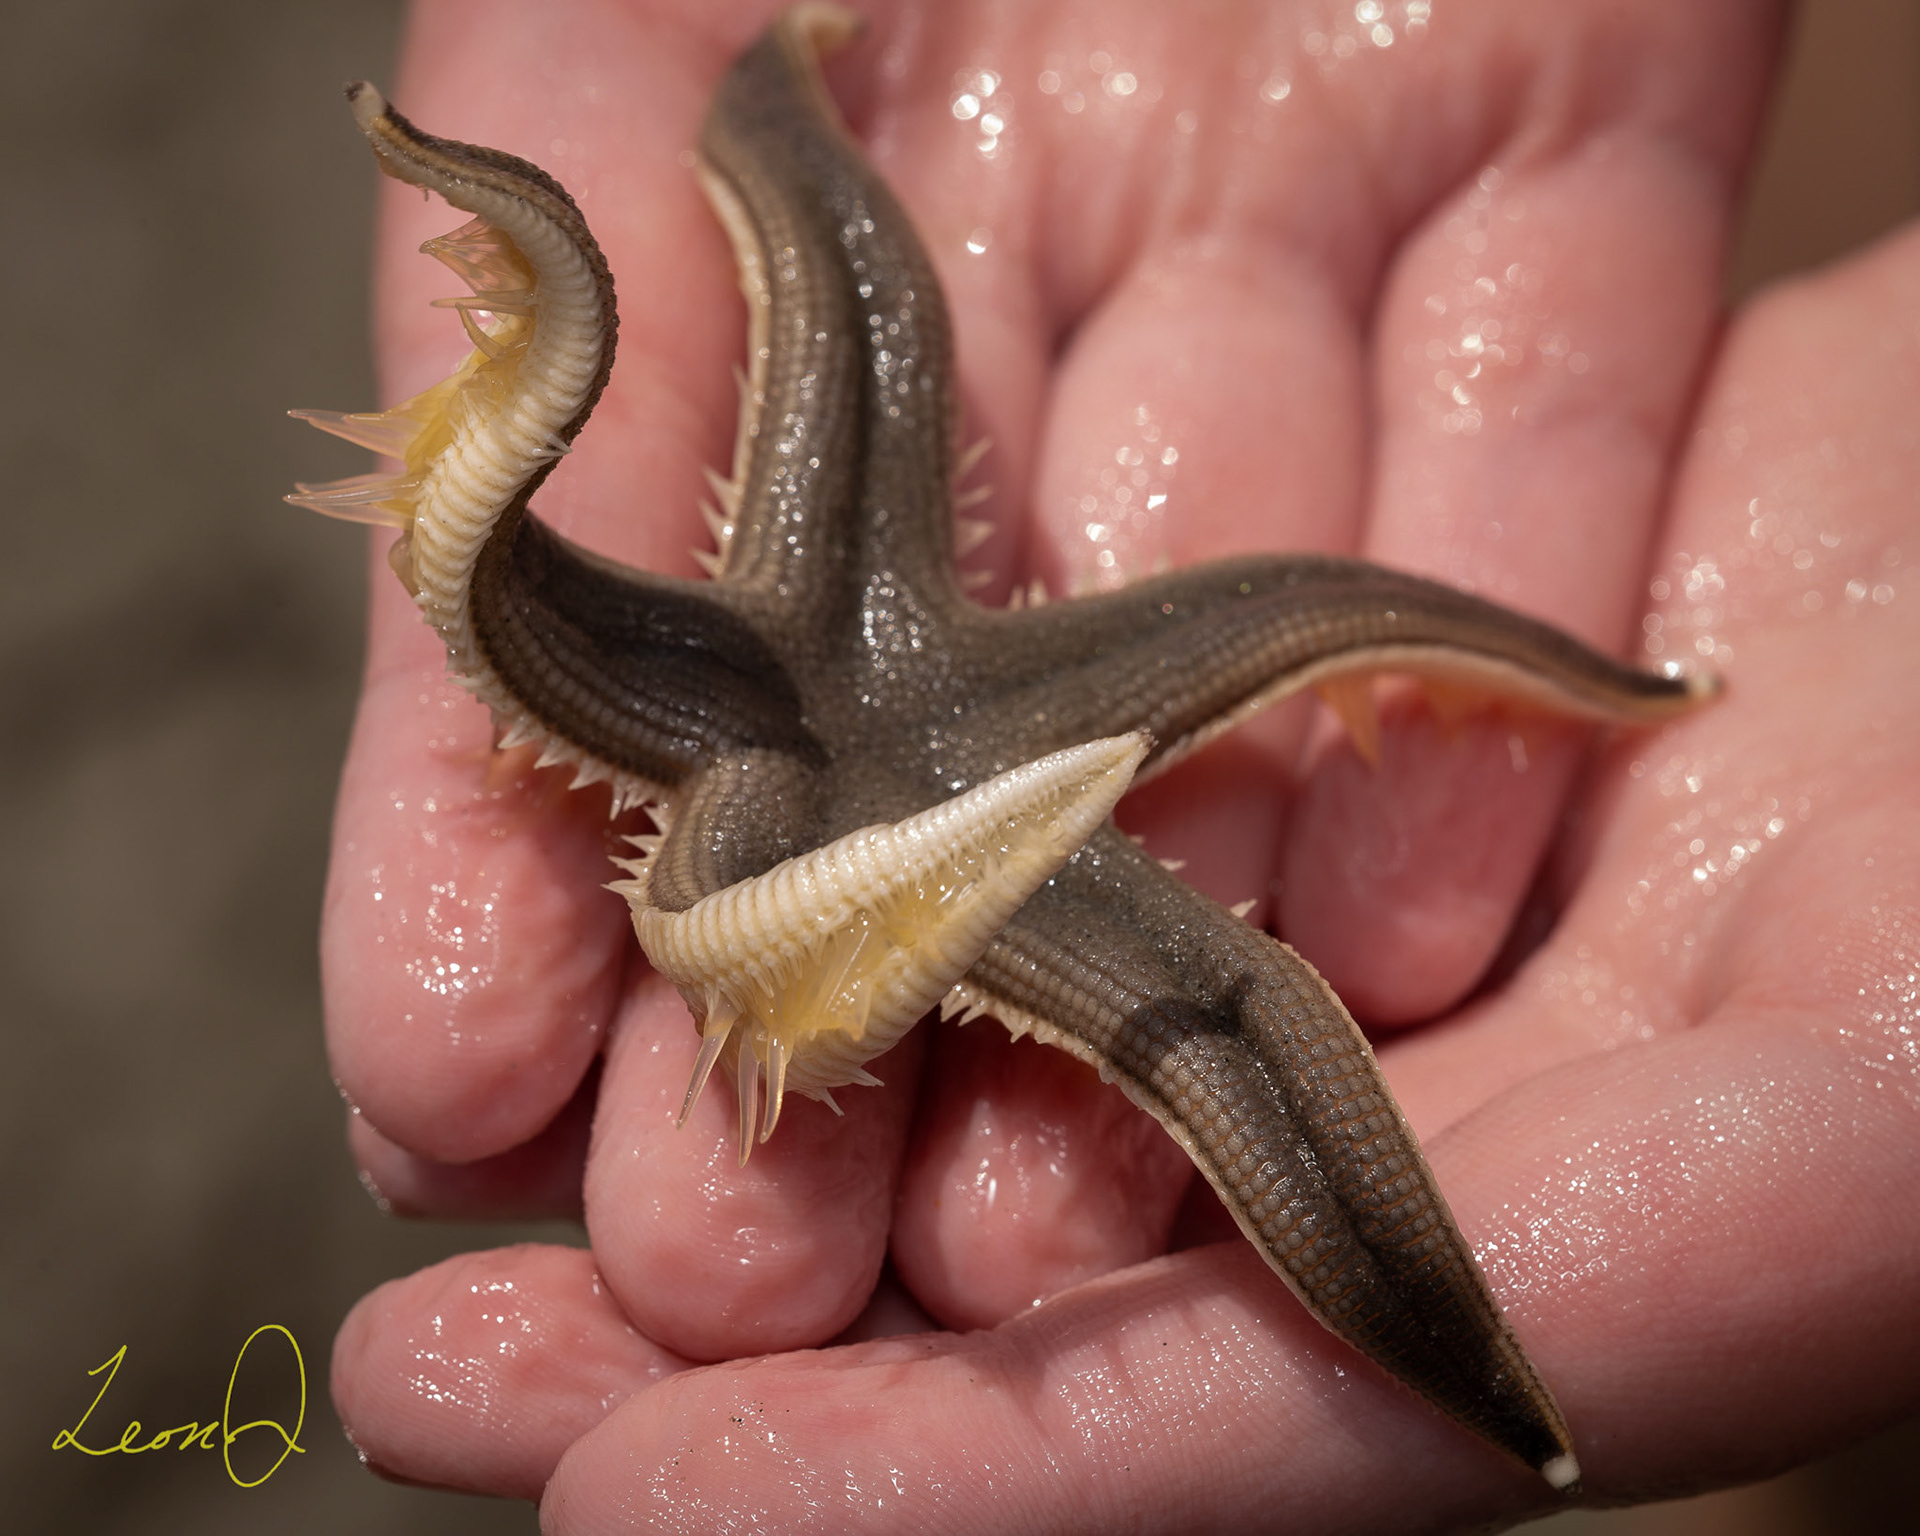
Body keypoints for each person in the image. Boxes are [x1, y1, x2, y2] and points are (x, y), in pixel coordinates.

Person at [322, 0, 1920, 1527]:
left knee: (1265, 703)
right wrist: (771, 92)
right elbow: (809, 281)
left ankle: (1464, 1314)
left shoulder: (885, 704)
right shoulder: (747, 812)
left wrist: (1607, 679)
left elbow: (1282, 589)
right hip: (841, 771)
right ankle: (1478, 1356)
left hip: (954, 759)